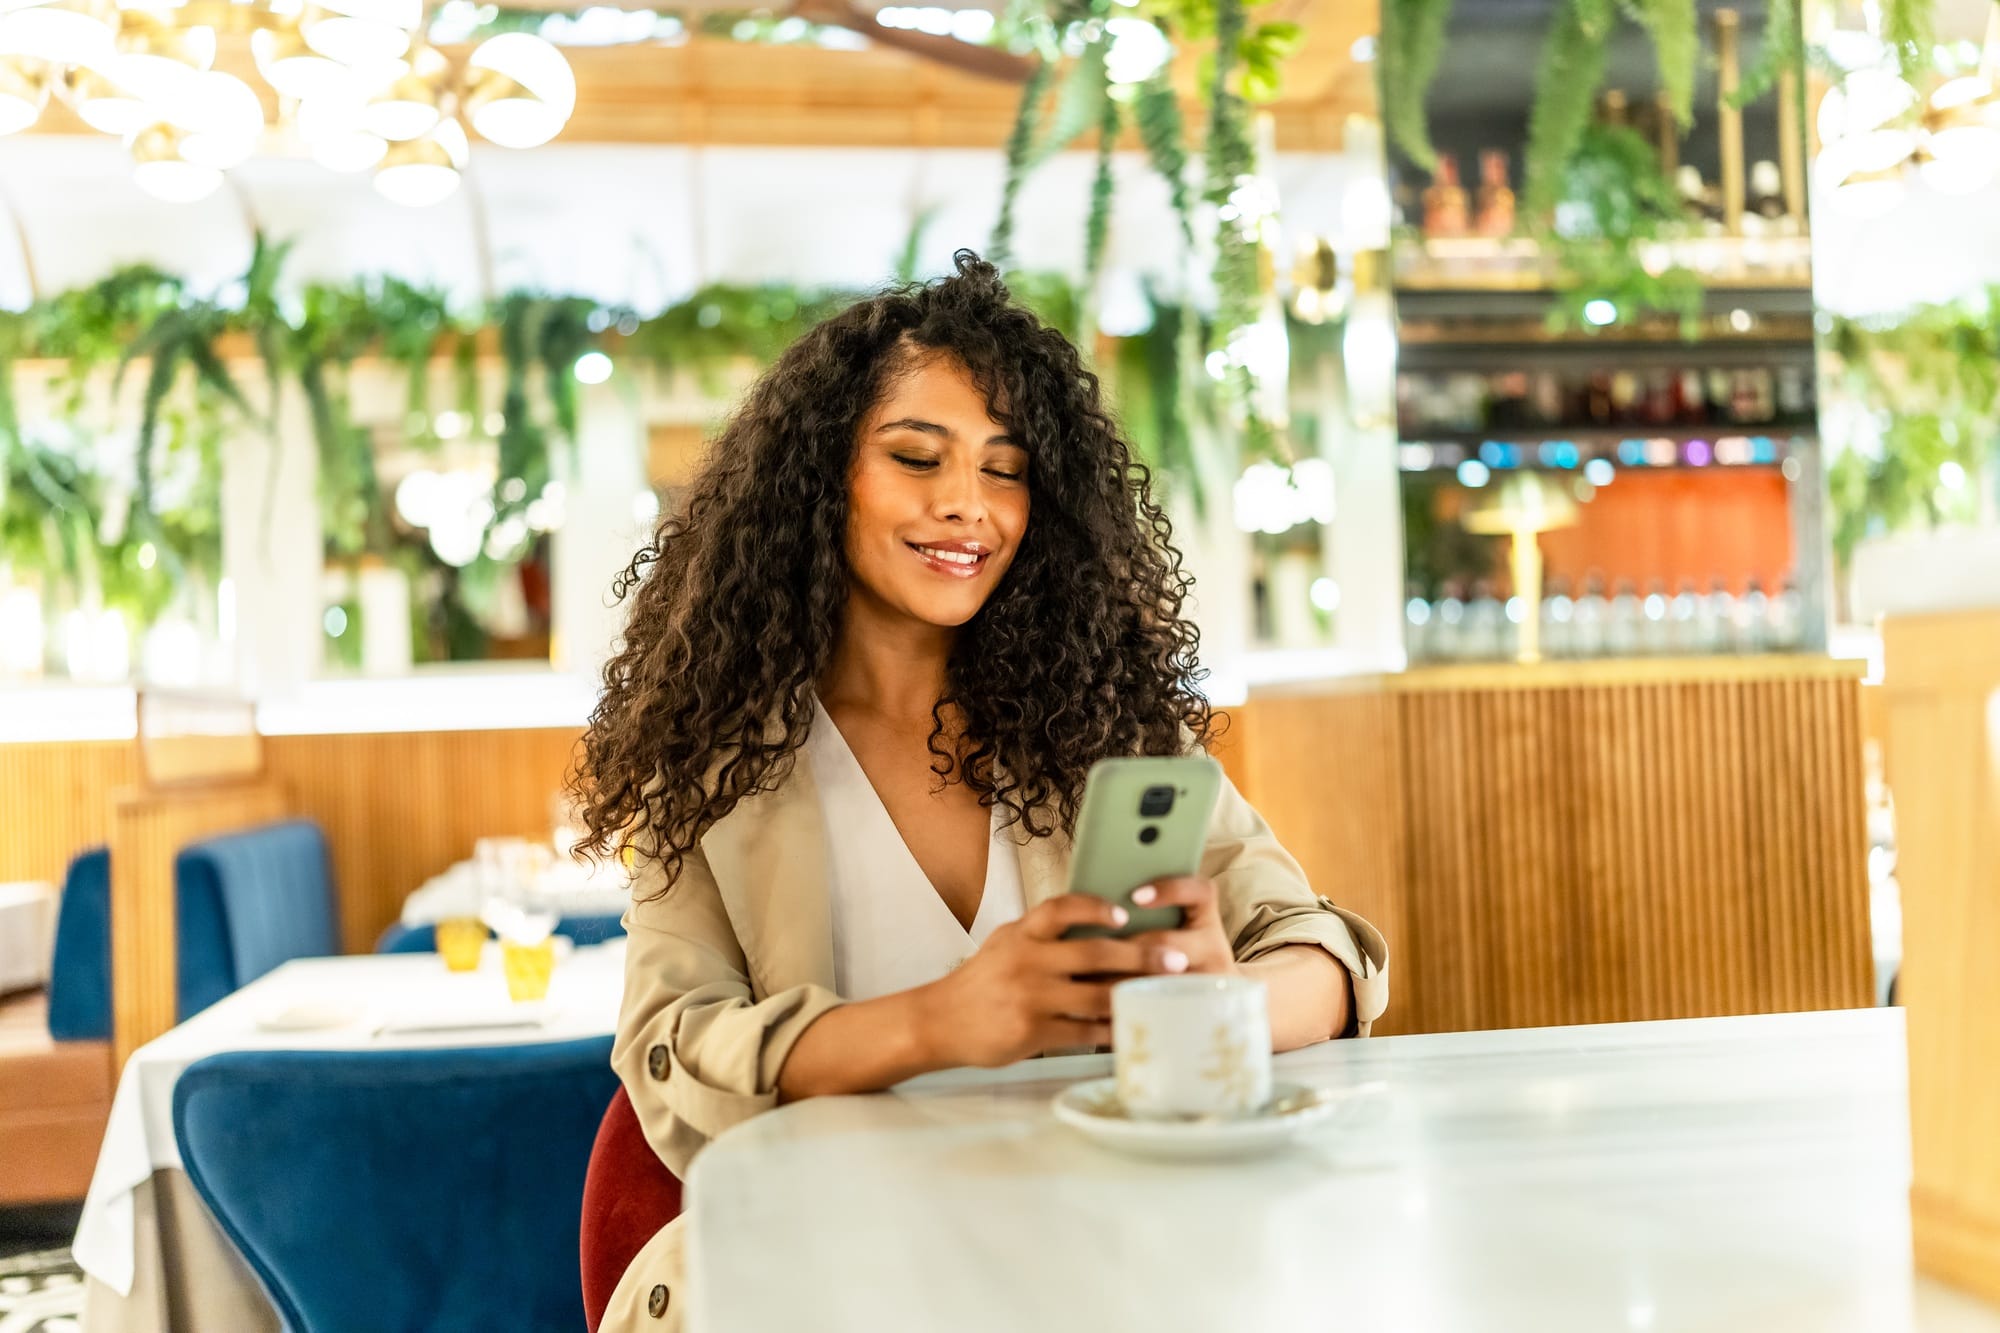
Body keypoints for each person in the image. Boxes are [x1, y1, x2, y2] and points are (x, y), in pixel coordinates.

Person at [571, 251, 1389, 1330]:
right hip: (824, 1277)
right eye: (917, 456)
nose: (968, 507)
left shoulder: (1102, 723)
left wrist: (1219, 1002)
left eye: (1005, 470)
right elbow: (673, 1053)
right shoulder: (720, 762)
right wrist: (940, 1023)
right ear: (823, 476)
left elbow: (1328, 956)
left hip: (1107, 1265)